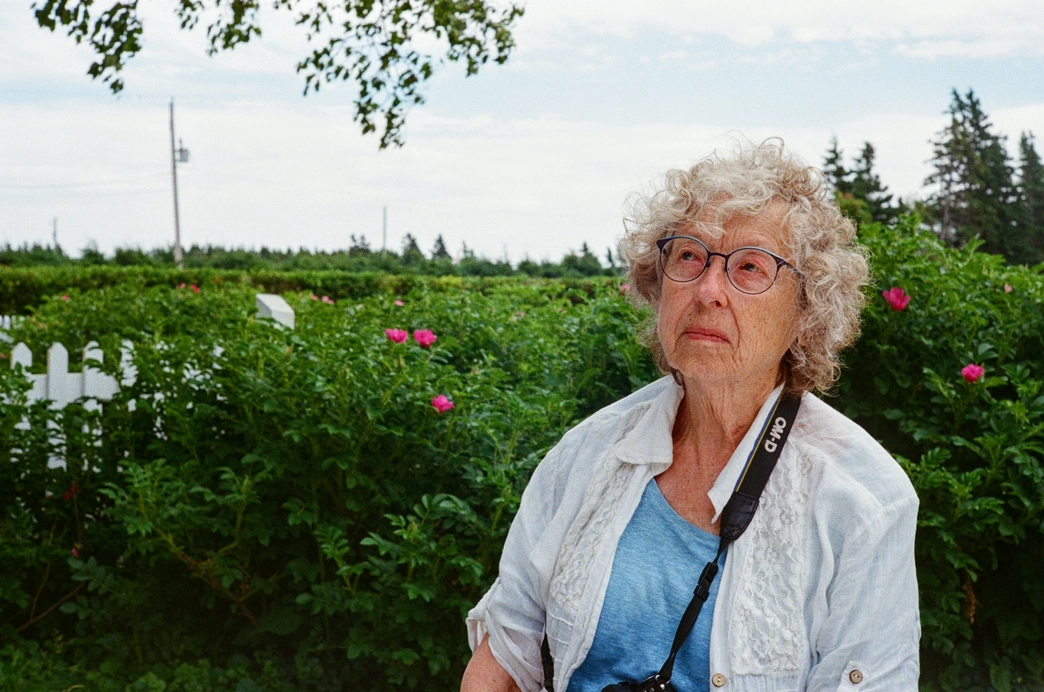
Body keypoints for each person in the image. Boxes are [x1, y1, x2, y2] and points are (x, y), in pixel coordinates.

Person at [460, 139, 920, 692]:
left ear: (806, 312)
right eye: (688, 256)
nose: (707, 290)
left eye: (751, 266)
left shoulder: (863, 503)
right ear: (657, 288)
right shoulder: (586, 454)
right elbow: (505, 656)